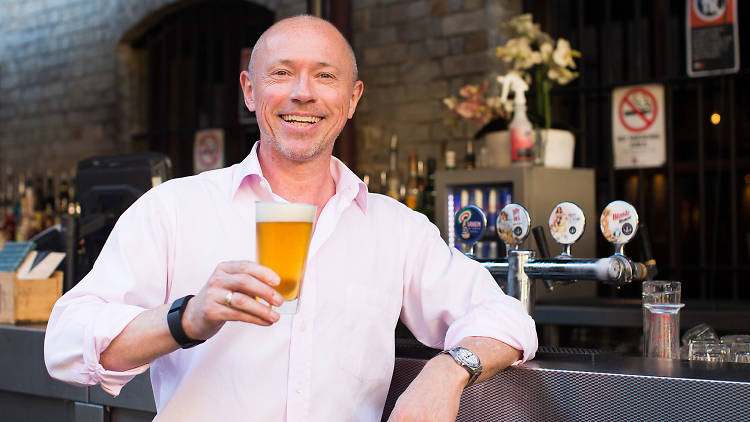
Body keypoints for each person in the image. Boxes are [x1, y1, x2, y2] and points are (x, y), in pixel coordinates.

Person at [44, 15, 537, 421]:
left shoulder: (395, 228)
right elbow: (66, 342)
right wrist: (187, 318)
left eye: (325, 76)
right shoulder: (174, 207)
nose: (304, 93)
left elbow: (506, 317)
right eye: (281, 73)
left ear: (352, 99)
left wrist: (448, 371)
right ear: (250, 91)